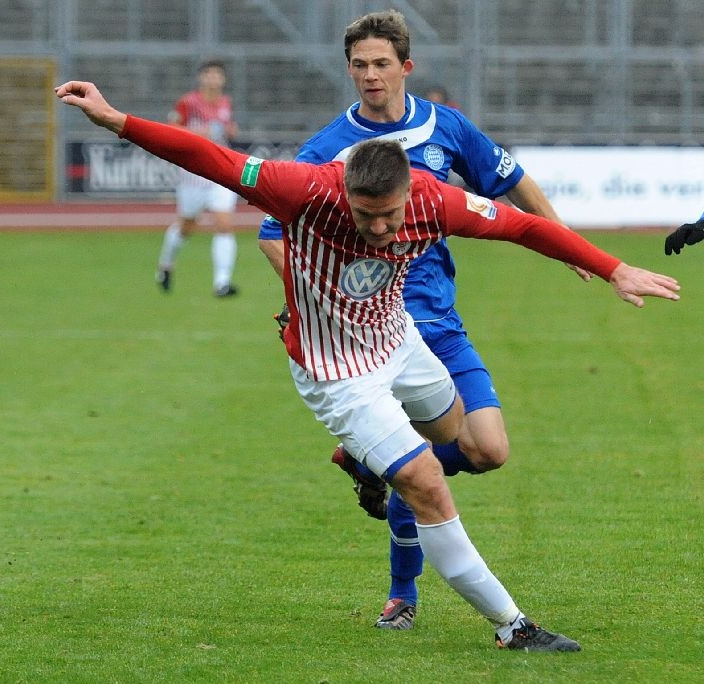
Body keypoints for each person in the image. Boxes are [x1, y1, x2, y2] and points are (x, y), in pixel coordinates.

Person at [55, 77, 680, 650]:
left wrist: (613, 268)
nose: (380, 228)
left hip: (401, 341)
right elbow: (207, 158)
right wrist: (115, 119)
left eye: (391, 214)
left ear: (411, 192)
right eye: (365, 214)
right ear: (344, 192)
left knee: (456, 438)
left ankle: (365, 460)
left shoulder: (437, 200)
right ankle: (512, 626)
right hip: (336, 372)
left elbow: (521, 226)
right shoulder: (300, 188)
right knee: (425, 481)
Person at [257, 9, 590, 631]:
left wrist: (565, 243)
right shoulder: (329, 148)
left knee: (487, 450)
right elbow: (274, 233)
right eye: (359, 65)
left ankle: (365, 464)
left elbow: (512, 183)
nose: (370, 76)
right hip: (375, 335)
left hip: (440, 317)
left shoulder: (447, 127)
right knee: (420, 467)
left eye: (382, 64)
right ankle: (403, 596)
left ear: (406, 67)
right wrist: (307, 295)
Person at [156, 59, 241, 297]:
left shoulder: (226, 103)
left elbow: (226, 130)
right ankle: (165, 264)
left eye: (217, 75)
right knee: (186, 226)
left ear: (223, 79)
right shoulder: (188, 103)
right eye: (209, 74)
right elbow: (171, 129)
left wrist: (231, 130)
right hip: (193, 175)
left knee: (224, 224)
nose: (213, 79)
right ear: (201, 78)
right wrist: (197, 132)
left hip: (220, 172)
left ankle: (222, 282)